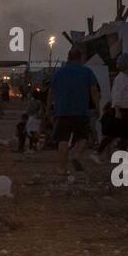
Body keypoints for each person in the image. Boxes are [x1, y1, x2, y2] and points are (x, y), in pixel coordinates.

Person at [48, 46, 101, 178]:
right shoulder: (87, 71)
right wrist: (97, 106)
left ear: (68, 58)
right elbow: (94, 90)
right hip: (81, 111)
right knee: (83, 137)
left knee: (63, 140)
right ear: (80, 57)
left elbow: (51, 92)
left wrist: (48, 108)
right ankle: (76, 154)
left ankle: (61, 169)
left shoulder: (59, 72)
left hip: (62, 111)